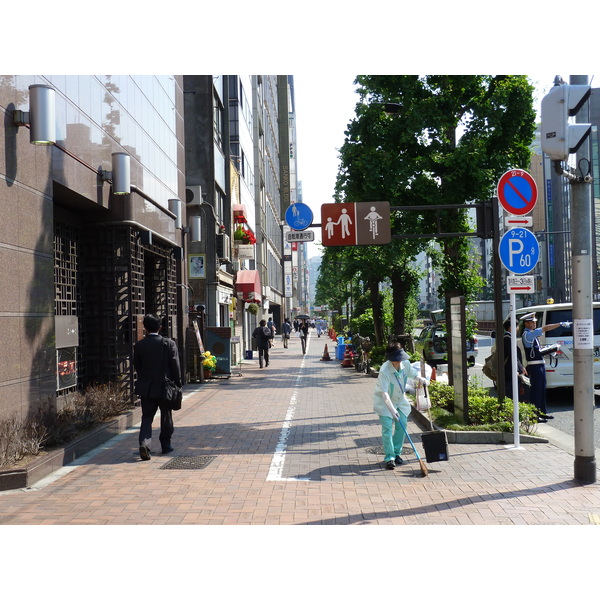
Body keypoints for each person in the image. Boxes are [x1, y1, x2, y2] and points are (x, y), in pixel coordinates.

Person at [133, 314, 182, 460]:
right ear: (160, 327)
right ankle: (166, 445)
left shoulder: (140, 345)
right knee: (166, 415)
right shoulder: (168, 343)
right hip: (165, 387)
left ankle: (144, 443)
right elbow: (175, 366)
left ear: (145, 328)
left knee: (147, 417)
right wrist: (178, 384)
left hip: (147, 387)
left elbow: (138, 366)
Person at [373, 342, 424, 470]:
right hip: (385, 403)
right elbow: (384, 394)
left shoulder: (405, 364)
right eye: (396, 359)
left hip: (400, 400)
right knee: (387, 429)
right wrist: (391, 409)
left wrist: (421, 380)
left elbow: (413, 374)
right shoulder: (385, 370)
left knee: (403, 425)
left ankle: (397, 453)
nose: (399, 361)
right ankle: (389, 458)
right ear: (390, 359)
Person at [521, 312, 570, 422]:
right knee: (536, 391)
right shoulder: (528, 335)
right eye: (532, 322)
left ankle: (542, 412)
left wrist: (549, 350)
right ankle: (534, 415)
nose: (534, 324)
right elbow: (545, 328)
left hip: (540, 365)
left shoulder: (532, 334)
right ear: (526, 323)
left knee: (541, 390)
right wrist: (560, 324)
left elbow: (537, 350)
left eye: (535, 322)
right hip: (535, 366)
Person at [503, 320, 527, 401]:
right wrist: (518, 369)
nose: (518, 329)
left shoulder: (508, 338)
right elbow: (513, 356)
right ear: (511, 328)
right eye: (517, 327)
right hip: (510, 371)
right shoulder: (508, 339)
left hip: (511, 371)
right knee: (511, 394)